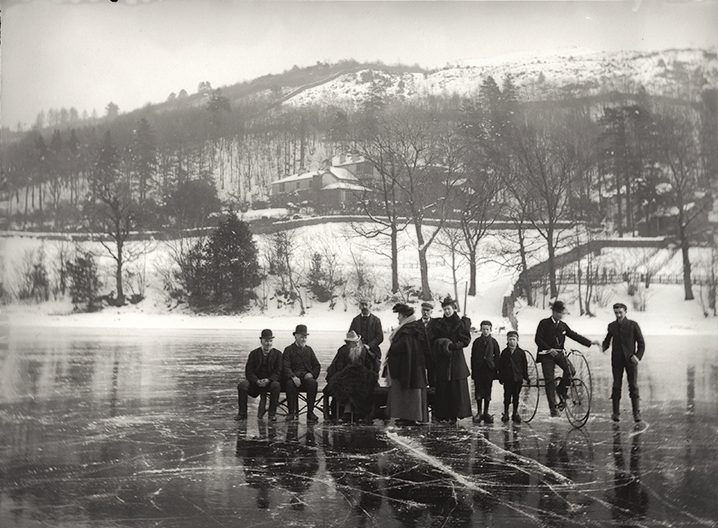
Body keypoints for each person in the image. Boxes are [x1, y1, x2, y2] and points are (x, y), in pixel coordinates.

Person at [534, 300, 600, 416]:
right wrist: (549, 349)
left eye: (563, 313)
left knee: (571, 371)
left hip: (559, 354)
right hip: (546, 355)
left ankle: (561, 390)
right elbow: (538, 340)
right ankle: (553, 408)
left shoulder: (563, 325)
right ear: (554, 312)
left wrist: (590, 342)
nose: (562, 315)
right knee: (549, 380)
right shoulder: (544, 323)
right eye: (561, 312)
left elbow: (574, 336)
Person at [431, 296, 473, 423]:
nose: (447, 312)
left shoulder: (460, 323)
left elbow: (466, 340)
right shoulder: (439, 324)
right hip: (443, 358)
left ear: (454, 309)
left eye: (449, 309)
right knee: (444, 387)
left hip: (456, 358)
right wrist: (442, 344)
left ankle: (455, 414)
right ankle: (444, 414)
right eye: (445, 309)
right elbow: (434, 339)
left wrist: (456, 346)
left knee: (456, 387)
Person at [386, 303, 429, 425]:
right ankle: (408, 416)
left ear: (404, 316)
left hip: (409, 368)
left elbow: (402, 347)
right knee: (410, 391)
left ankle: (410, 417)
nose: (398, 318)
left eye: (399, 315)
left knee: (409, 392)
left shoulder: (408, 329)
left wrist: (393, 349)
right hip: (413, 367)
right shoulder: (413, 327)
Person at [602, 303, 646, 422]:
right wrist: (602, 347)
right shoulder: (611, 326)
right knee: (616, 385)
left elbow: (641, 344)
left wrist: (637, 357)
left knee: (633, 386)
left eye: (621, 312)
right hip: (617, 361)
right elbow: (607, 340)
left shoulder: (633, 325)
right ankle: (615, 413)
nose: (619, 315)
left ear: (625, 312)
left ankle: (636, 413)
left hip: (631, 361)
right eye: (616, 313)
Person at [323, 330, 379, 422]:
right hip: (345, 378)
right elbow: (338, 367)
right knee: (347, 385)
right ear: (348, 343)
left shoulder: (364, 350)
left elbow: (372, 366)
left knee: (361, 387)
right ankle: (347, 411)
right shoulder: (342, 351)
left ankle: (357, 412)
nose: (356, 344)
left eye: (357, 342)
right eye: (353, 342)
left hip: (362, 379)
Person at [236, 329, 282, 421]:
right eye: (266, 341)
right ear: (261, 341)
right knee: (242, 386)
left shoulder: (278, 354)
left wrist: (268, 380)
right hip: (255, 384)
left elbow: (279, 371)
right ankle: (242, 414)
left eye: (270, 341)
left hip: (270, 383)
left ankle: (272, 414)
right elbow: (249, 371)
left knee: (276, 385)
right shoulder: (254, 354)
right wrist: (256, 381)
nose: (268, 343)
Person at [283, 324, 321, 423]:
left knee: (313, 383)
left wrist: (312, 374)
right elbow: (285, 367)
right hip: (294, 378)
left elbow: (317, 366)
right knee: (290, 384)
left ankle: (310, 412)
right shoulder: (288, 350)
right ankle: (291, 412)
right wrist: (293, 377)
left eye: (305, 337)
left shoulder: (309, 350)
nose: (303, 339)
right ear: (295, 336)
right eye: (301, 336)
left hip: (306, 378)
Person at [471, 320, 501, 424]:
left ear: (490, 330)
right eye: (483, 329)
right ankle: (479, 412)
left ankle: (486, 412)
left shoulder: (494, 342)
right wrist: (473, 371)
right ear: (481, 329)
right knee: (478, 391)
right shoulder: (476, 342)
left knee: (488, 390)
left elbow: (497, 357)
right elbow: (473, 357)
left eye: (487, 329)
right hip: (479, 370)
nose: (485, 331)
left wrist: (496, 371)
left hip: (489, 370)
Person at [498, 330, 529, 424]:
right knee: (507, 396)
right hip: (507, 379)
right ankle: (506, 412)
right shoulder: (504, 352)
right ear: (507, 340)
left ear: (517, 340)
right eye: (510, 339)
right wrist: (501, 377)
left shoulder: (521, 353)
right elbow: (501, 366)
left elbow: (524, 366)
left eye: (514, 339)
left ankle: (515, 413)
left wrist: (526, 377)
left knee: (516, 396)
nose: (512, 341)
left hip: (518, 379)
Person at [349, 300, 384, 374]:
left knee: (373, 376)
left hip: (373, 353)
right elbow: (350, 334)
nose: (364, 307)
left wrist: (369, 346)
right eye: (362, 304)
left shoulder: (376, 320)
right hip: (357, 354)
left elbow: (380, 337)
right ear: (360, 306)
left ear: (370, 306)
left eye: (366, 304)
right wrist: (357, 345)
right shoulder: (355, 320)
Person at [420, 301, 437, 387]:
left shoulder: (436, 323)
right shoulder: (416, 324)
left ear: (431, 312)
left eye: (427, 310)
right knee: (420, 381)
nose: (425, 312)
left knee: (433, 381)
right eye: (423, 310)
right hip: (420, 358)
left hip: (433, 358)